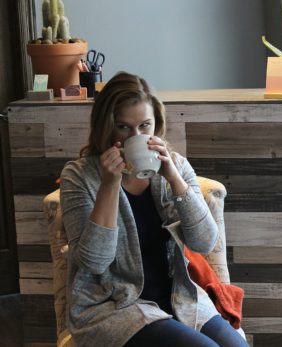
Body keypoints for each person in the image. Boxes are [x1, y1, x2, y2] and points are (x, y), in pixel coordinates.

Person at [59, 71, 249, 347]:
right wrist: (110, 185)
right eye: (123, 127)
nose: (134, 137)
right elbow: (94, 263)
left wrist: (173, 177)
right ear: (106, 126)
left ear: (156, 124)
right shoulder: (79, 177)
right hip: (112, 307)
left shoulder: (176, 167)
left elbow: (205, 241)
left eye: (144, 126)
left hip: (178, 298)